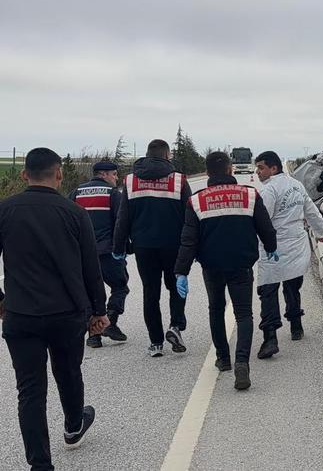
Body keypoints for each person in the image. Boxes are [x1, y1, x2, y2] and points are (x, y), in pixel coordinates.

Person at [0, 148, 109, 470]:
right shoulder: (74, 213)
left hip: (20, 315)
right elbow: (91, 267)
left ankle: (40, 464)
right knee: (68, 372)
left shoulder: (5, 210)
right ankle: (74, 425)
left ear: (24, 175)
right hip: (66, 314)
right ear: (59, 174)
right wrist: (98, 311)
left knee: (30, 391)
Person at [174, 152, 277, 390]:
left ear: (208, 173)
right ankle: (242, 362)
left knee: (216, 309)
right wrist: (271, 248)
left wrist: (181, 271)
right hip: (241, 265)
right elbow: (266, 228)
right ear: (231, 171)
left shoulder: (197, 201)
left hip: (212, 266)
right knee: (243, 314)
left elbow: (188, 240)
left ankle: (223, 358)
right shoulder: (250, 195)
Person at [113, 139, 192, 357]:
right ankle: (175, 326)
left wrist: (119, 247)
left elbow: (123, 218)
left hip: (144, 247)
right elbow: (190, 216)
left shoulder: (131, 181)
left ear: (147, 155)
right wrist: (192, 248)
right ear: (167, 156)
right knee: (176, 286)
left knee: (151, 292)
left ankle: (156, 343)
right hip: (173, 246)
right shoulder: (179, 181)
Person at [254, 150, 323, 359]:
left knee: (268, 291)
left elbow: (262, 221)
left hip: (275, 247)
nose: (257, 172)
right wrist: (321, 233)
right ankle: (296, 326)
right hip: (296, 244)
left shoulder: (269, 191)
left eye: (261, 167)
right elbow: (311, 211)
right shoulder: (297, 185)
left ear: (273, 168)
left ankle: (270, 337)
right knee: (292, 286)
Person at [68, 160, 130, 348]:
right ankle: (110, 321)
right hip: (107, 252)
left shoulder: (76, 193)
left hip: (81, 254)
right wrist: (124, 247)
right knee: (120, 287)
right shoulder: (113, 194)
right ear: (103, 174)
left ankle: (93, 336)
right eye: (114, 174)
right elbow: (121, 223)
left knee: (89, 293)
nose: (116, 178)